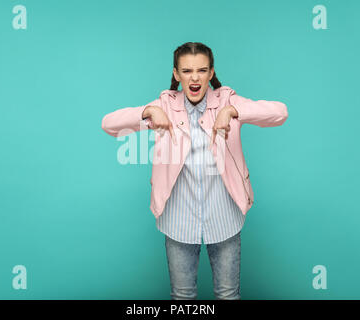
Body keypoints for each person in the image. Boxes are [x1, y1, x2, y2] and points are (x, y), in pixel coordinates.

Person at [101, 42, 288, 300]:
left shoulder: (226, 100)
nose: (195, 78)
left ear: (211, 73)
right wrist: (147, 111)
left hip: (225, 217)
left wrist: (233, 111)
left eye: (202, 70)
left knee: (228, 295)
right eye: (187, 71)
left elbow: (280, 113)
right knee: (182, 296)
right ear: (177, 74)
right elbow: (108, 124)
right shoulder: (165, 105)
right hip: (179, 220)